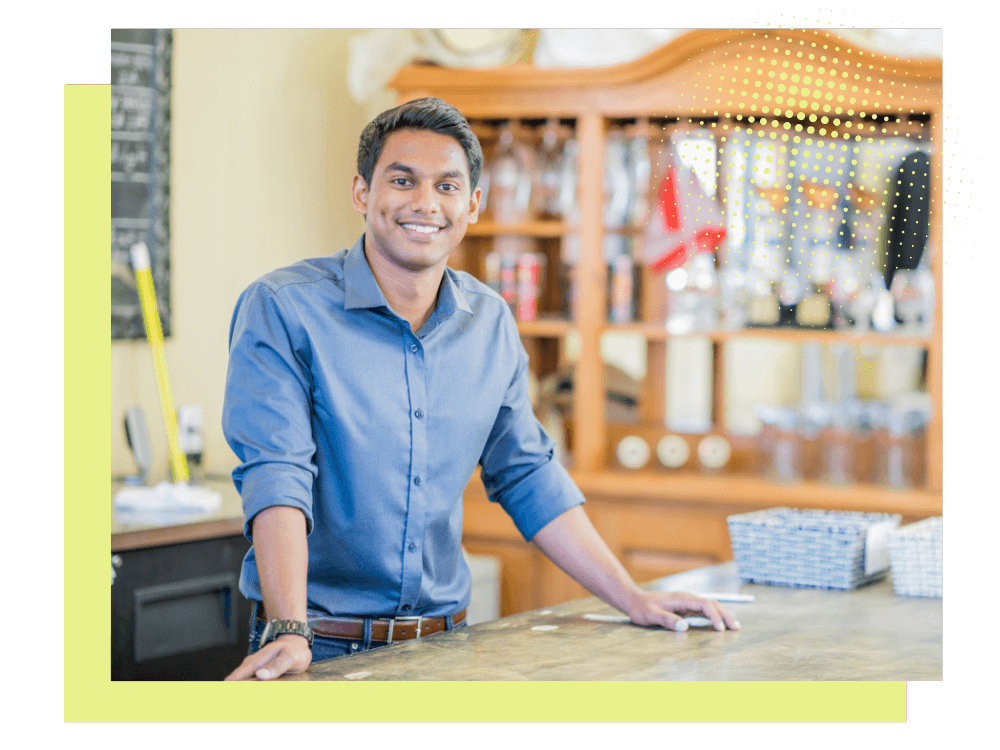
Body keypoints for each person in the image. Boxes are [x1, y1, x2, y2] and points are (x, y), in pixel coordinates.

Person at [223, 97, 739, 682]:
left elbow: (526, 473)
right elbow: (278, 474)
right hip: (318, 648)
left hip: (447, 646)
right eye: (402, 180)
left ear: (472, 205)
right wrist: (289, 630)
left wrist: (633, 598)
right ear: (362, 193)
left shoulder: (489, 321)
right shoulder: (283, 308)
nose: (425, 203)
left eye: (447, 186)